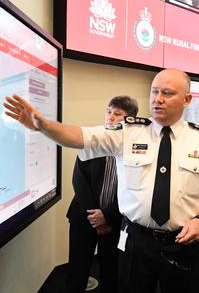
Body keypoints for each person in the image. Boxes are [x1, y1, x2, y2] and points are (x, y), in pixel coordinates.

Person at [4, 69, 199, 293]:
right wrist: (43, 125)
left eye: (168, 93)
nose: (158, 99)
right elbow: (80, 136)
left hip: (184, 243)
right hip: (136, 242)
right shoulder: (128, 132)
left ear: (187, 100)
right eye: (154, 92)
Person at [65, 95, 138, 293]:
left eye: (117, 114)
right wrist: (95, 215)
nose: (110, 117)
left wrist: (106, 216)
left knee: (111, 271)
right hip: (83, 217)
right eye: (108, 112)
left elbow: (136, 187)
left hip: (115, 220)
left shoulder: (136, 147)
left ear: (129, 119)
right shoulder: (94, 141)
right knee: (77, 270)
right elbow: (78, 180)